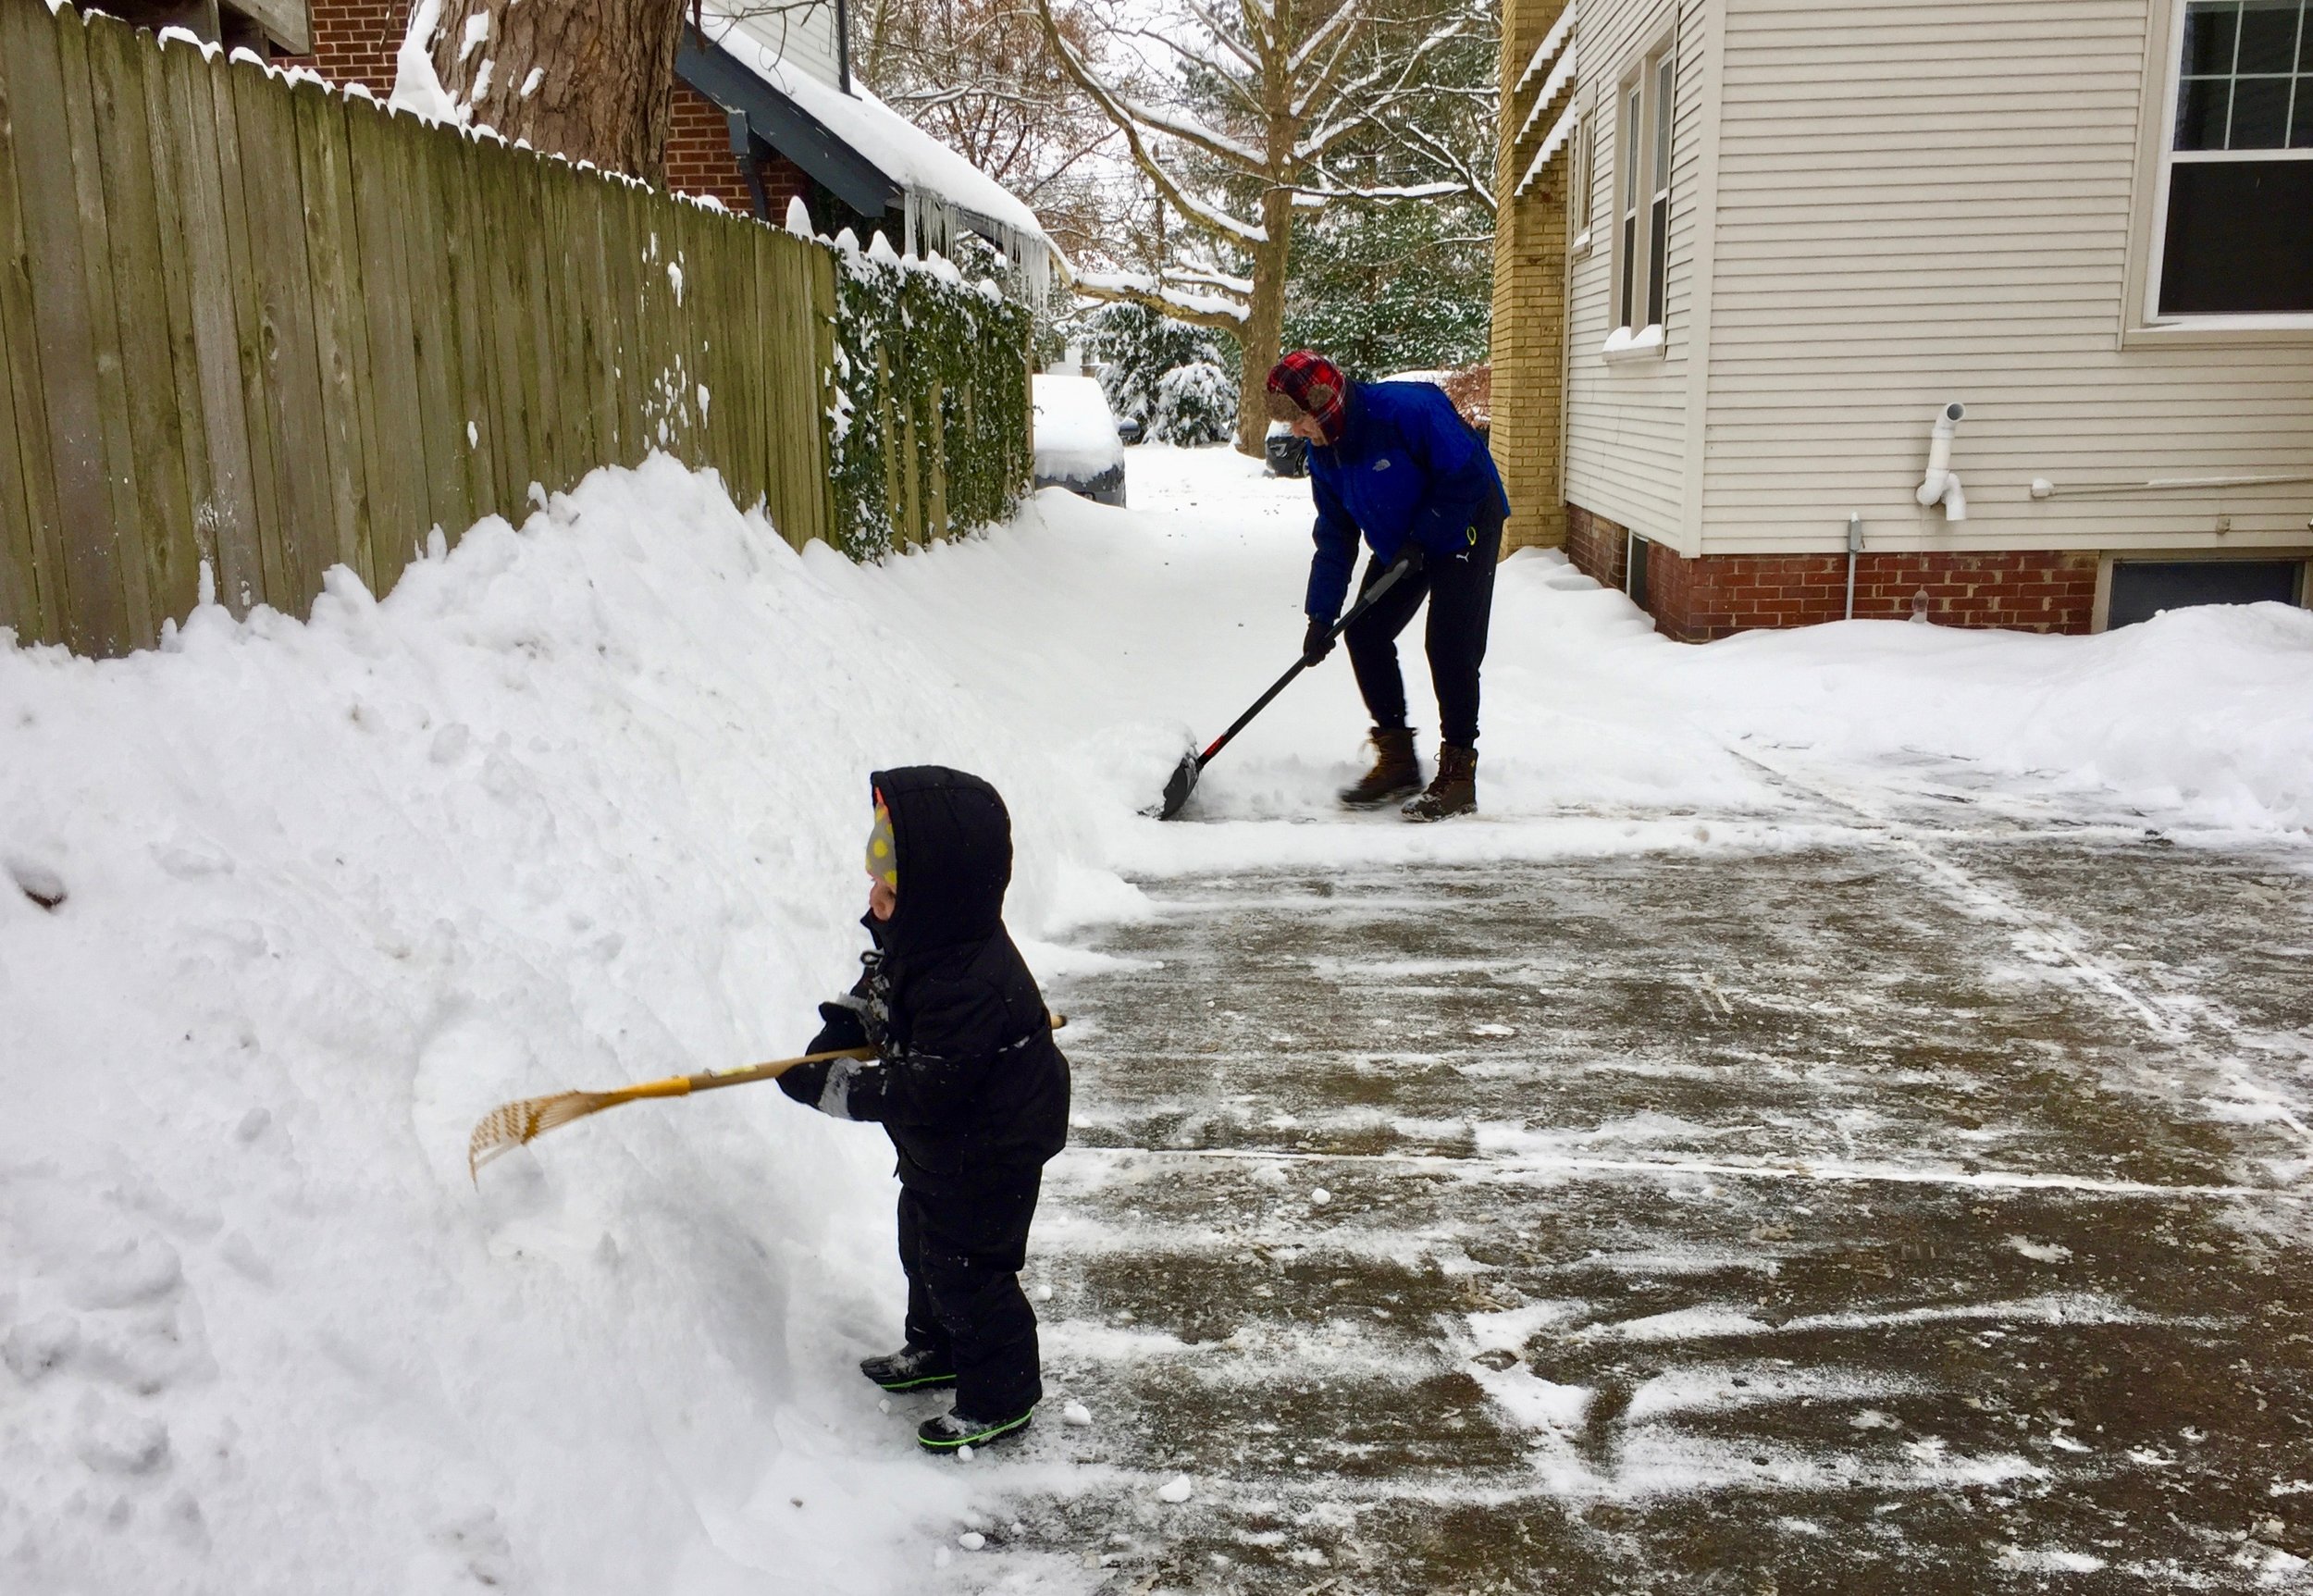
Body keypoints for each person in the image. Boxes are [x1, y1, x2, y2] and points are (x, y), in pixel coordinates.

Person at [777, 767, 1070, 1454]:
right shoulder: (927, 943)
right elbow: (882, 987)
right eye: (877, 875)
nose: (874, 894)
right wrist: (841, 1034)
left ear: (937, 894)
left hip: (992, 1146)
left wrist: (836, 1090)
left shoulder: (971, 985)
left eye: (892, 884)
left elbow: (922, 1087)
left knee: (969, 1270)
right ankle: (935, 1347)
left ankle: (1002, 1392)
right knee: (924, 1248)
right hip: (944, 1149)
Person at [1267, 351, 1511, 821]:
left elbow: (1467, 475)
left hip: (1467, 519)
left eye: (1298, 419)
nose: (1294, 431)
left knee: (1449, 645)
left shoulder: (1406, 411)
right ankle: (1398, 760)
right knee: (1365, 631)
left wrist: (1426, 536)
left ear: (1324, 405)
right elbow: (1336, 538)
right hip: (1406, 539)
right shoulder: (1324, 455)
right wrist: (1320, 617)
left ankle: (1459, 774)